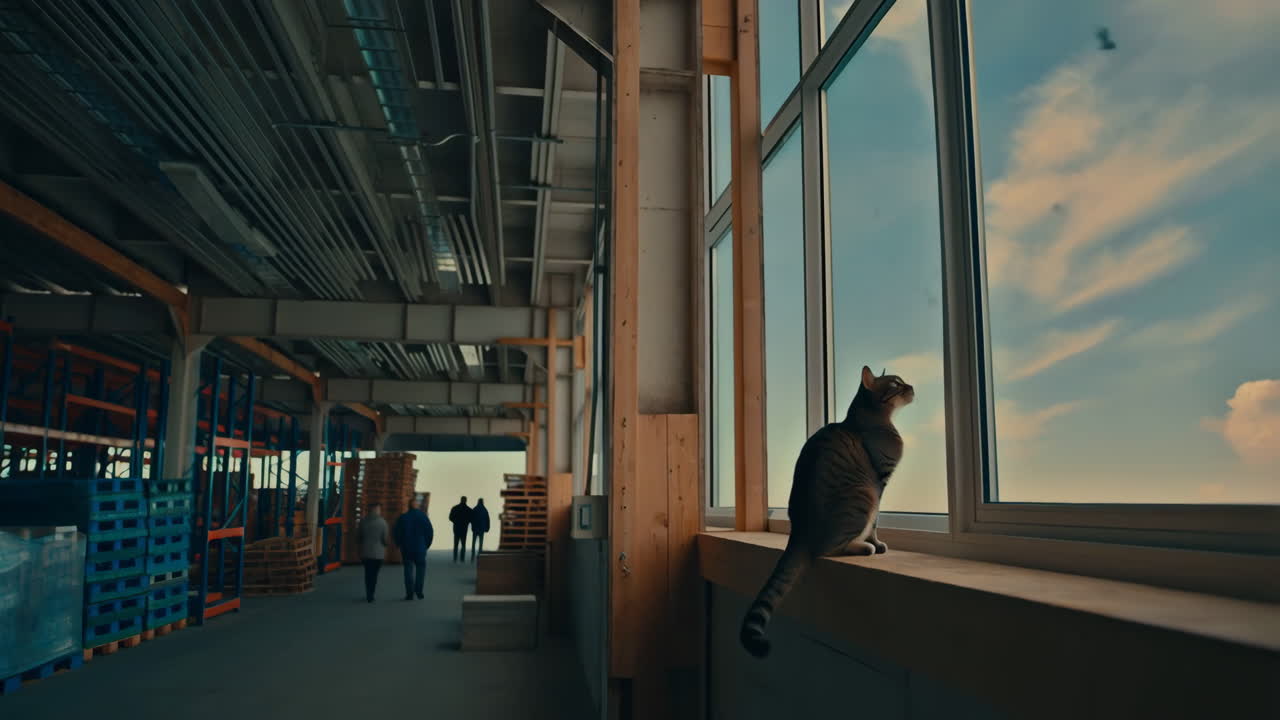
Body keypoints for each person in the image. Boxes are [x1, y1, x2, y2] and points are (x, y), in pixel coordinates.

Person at [392, 498, 433, 600]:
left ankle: (409, 593)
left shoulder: (403, 518)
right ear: (417, 506)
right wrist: (426, 545)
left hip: (407, 548)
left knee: (408, 570)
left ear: (408, 506)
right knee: (420, 569)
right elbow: (430, 532)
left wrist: (399, 544)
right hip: (420, 548)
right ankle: (419, 592)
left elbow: (397, 532)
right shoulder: (423, 517)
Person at [357, 503, 389, 602]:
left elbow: (359, 537)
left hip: (366, 553)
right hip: (378, 554)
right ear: (378, 511)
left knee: (368, 574)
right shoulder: (383, 523)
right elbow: (385, 540)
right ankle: (372, 594)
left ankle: (368, 593)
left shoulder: (363, 522)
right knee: (374, 574)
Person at [448, 496, 472, 563]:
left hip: (456, 528)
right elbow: (471, 519)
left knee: (456, 544)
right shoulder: (468, 510)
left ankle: (455, 558)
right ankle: (462, 558)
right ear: (466, 501)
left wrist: (455, 521)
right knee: (463, 544)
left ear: (460, 500)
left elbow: (450, 517)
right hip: (464, 529)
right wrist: (467, 522)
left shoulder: (455, 508)